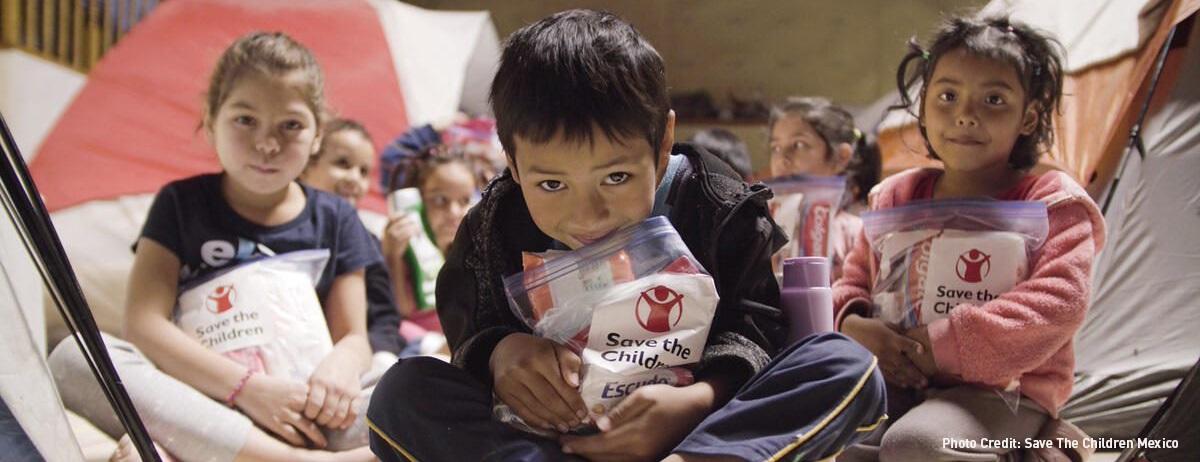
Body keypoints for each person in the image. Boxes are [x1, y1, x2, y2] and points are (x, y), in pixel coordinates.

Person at [366, 10, 885, 461]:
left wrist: (699, 400)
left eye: (616, 177)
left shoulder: (714, 203)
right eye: (551, 183)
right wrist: (501, 352)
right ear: (513, 163)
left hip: (697, 432)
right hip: (548, 441)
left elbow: (754, 327)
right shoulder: (492, 226)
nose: (587, 213)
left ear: (661, 145)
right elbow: (468, 326)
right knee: (402, 391)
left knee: (844, 366)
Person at [49, 32, 377, 462]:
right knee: (75, 357)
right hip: (206, 404)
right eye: (245, 119)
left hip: (309, 416)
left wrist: (341, 368)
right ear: (211, 119)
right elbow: (143, 323)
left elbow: (354, 336)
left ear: (318, 136)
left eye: (291, 125)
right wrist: (248, 389)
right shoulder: (179, 204)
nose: (266, 143)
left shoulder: (337, 217)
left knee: (417, 382)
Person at [833, 16, 1106, 461]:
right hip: (892, 377)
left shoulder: (1053, 202)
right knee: (821, 432)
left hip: (1007, 393)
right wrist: (853, 324)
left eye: (994, 99)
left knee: (917, 445)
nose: (965, 114)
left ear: (1029, 116)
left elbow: (1058, 303)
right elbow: (853, 280)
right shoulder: (895, 196)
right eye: (947, 95)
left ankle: (1029, 446)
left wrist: (935, 347)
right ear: (922, 108)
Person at [298, 118, 407, 361]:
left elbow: (385, 315)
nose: (354, 178)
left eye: (364, 171)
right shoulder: (287, 227)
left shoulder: (365, 238)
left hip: (359, 356)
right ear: (305, 165)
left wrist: (379, 353)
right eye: (342, 164)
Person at [767, 96, 881, 281]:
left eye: (799, 145)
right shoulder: (762, 228)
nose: (782, 159)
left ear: (841, 157)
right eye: (776, 147)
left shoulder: (857, 233)